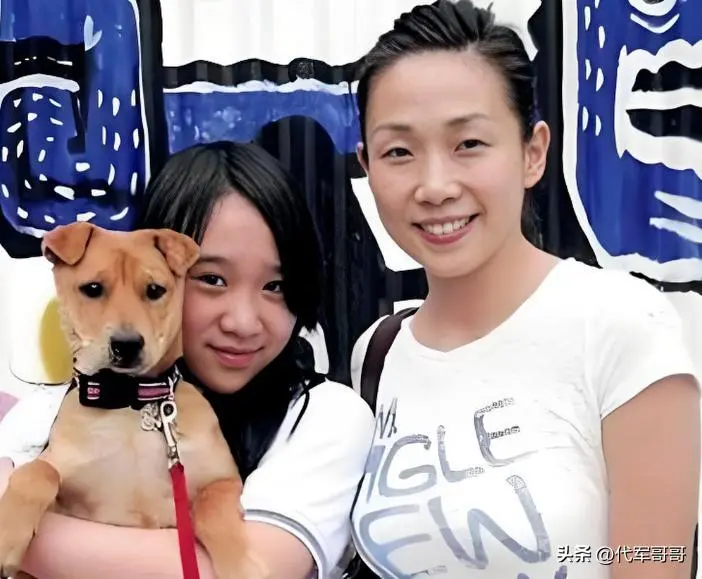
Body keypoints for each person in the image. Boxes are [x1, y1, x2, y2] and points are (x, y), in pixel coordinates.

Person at [347, 2, 700, 578]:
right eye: (399, 152)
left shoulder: (620, 323)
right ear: (368, 166)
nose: (434, 186)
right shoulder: (379, 354)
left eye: (469, 143)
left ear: (533, 152)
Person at [0, 141, 374, 579]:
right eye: (212, 279)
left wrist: (25, 539)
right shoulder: (43, 415)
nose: (242, 322)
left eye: (275, 286)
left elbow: (262, 569)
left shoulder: (322, 416)